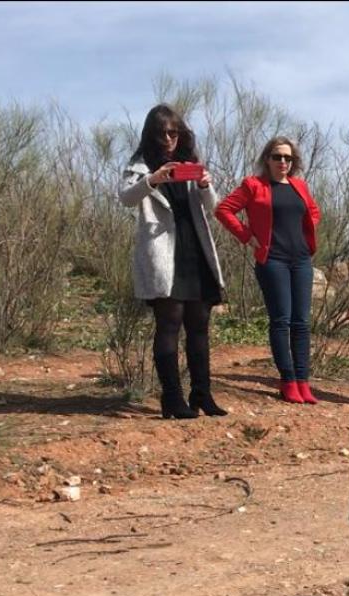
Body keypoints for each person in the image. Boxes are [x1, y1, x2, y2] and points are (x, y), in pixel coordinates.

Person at [119, 104, 227, 420]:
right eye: (163, 133)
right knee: (169, 323)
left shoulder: (190, 164)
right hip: (163, 251)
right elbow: (125, 199)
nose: (169, 139)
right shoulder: (140, 166)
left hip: (195, 248)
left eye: (174, 132)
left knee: (200, 325)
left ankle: (202, 394)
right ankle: (172, 398)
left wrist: (206, 185)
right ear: (151, 135)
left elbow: (214, 208)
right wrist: (152, 180)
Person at [216, 136, 322, 404]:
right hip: (272, 260)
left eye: (288, 158)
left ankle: (303, 381)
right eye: (277, 157)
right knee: (281, 320)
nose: (283, 162)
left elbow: (313, 211)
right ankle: (287, 381)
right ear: (267, 159)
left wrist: (307, 232)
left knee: (302, 322)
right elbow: (224, 210)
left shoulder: (300, 186)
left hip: (301, 260)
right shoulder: (254, 185)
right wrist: (247, 236)